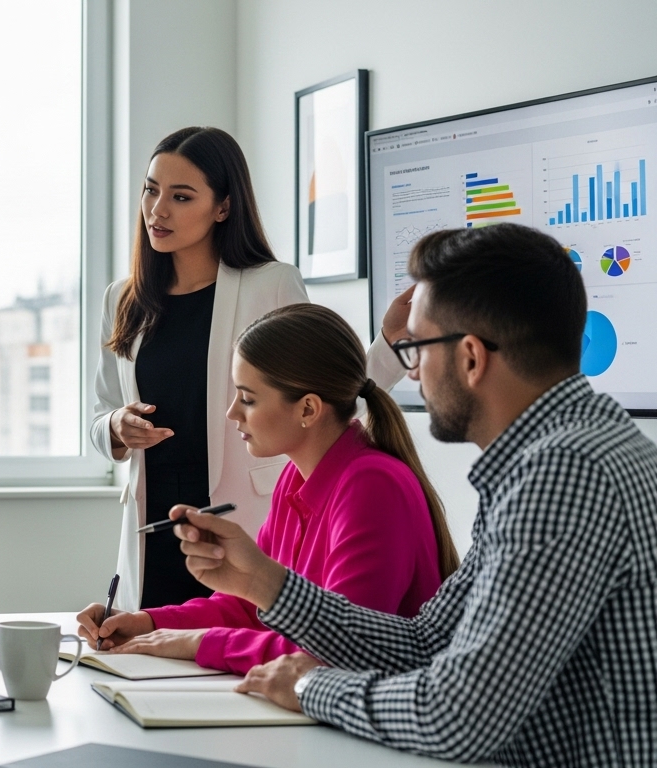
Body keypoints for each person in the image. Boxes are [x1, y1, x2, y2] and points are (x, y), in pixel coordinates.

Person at [175, 223, 657, 766]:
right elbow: (428, 642)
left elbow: (460, 716)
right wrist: (262, 581)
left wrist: (312, 688)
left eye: (419, 348)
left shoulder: (564, 475)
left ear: (471, 358)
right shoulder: (565, 454)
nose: (414, 371)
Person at [92, 126, 408, 610]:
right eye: (151, 190)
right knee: (150, 658)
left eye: (181, 196)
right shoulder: (123, 297)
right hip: (155, 523)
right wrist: (116, 426)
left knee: (236, 655)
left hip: (245, 519)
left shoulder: (271, 285)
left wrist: (387, 348)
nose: (157, 210)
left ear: (223, 206)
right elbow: (101, 412)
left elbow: (327, 400)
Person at [77, 303, 458, 675]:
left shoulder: (373, 487)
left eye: (248, 398)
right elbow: (252, 605)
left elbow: (339, 650)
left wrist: (199, 643)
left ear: (308, 410)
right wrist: (147, 622)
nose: (232, 413)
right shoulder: (296, 476)